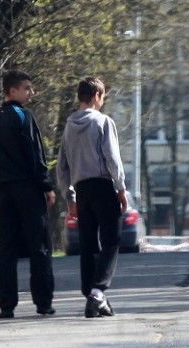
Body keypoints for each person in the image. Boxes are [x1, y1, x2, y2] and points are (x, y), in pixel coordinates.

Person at [0, 70, 56, 319]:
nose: (31, 93)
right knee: (39, 246)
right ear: (11, 90)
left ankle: (6, 304)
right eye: (27, 88)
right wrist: (46, 185)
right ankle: (43, 301)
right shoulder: (23, 117)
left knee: (5, 248)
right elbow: (35, 153)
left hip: (2, 192)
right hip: (27, 189)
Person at [56, 77, 127, 318]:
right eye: (103, 96)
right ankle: (98, 290)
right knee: (111, 240)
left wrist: (69, 196)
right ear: (96, 95)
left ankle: (91, 296)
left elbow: (62, 166)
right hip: (103, 186)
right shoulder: (103, 122)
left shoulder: (68, 126)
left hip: (82, 190)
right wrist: (121, 187)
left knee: (87, 244)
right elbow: (112, 158)